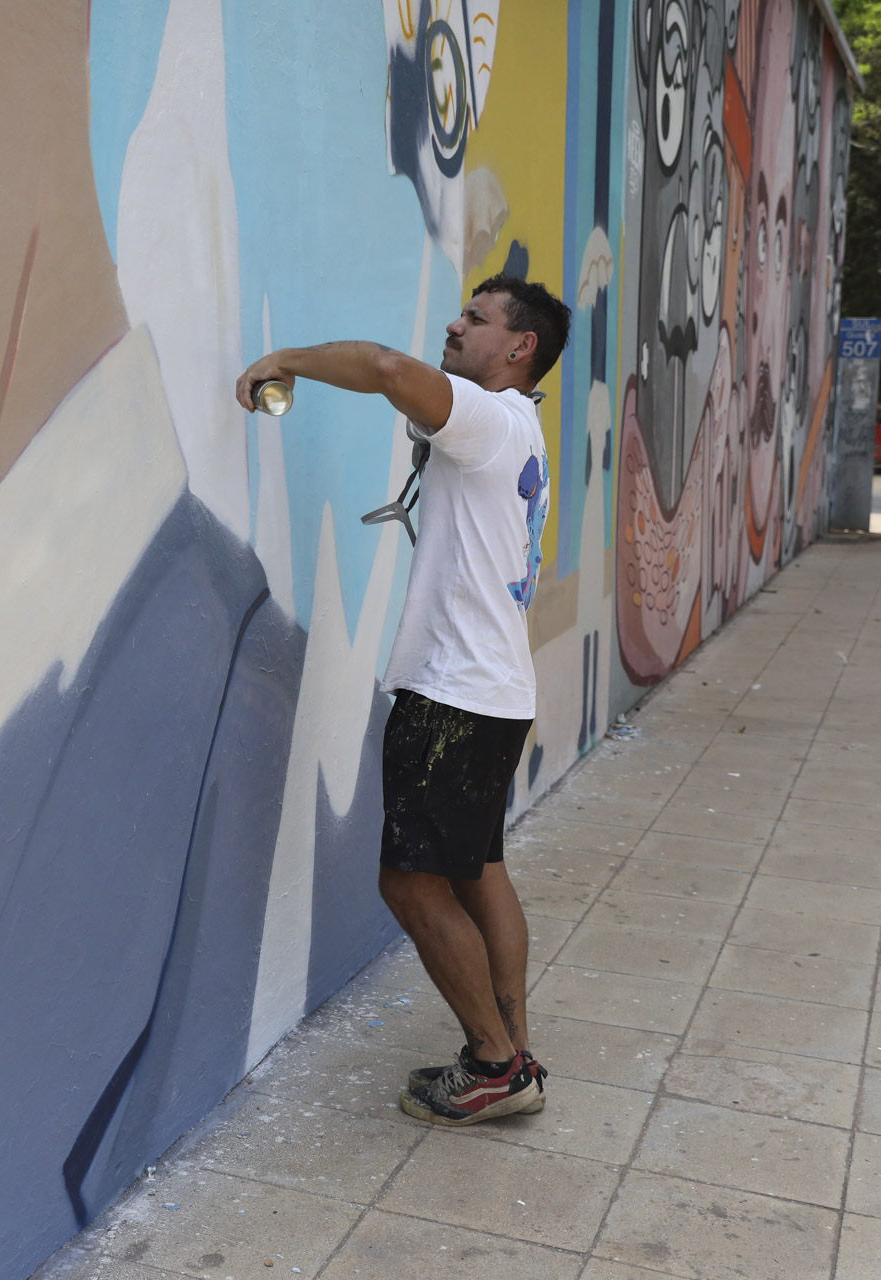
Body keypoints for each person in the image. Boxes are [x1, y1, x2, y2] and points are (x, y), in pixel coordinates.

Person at [234, 274, 571, 1126]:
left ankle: (493, 1065)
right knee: (478, 873)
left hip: (453, 697)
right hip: (494, 692)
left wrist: (286, 359)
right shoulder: (517, 424)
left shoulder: (486, 418)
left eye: (476, 319)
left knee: (411, 886)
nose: (454, 326)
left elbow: (387, 367)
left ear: (520, 347)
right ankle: (513, 1056)